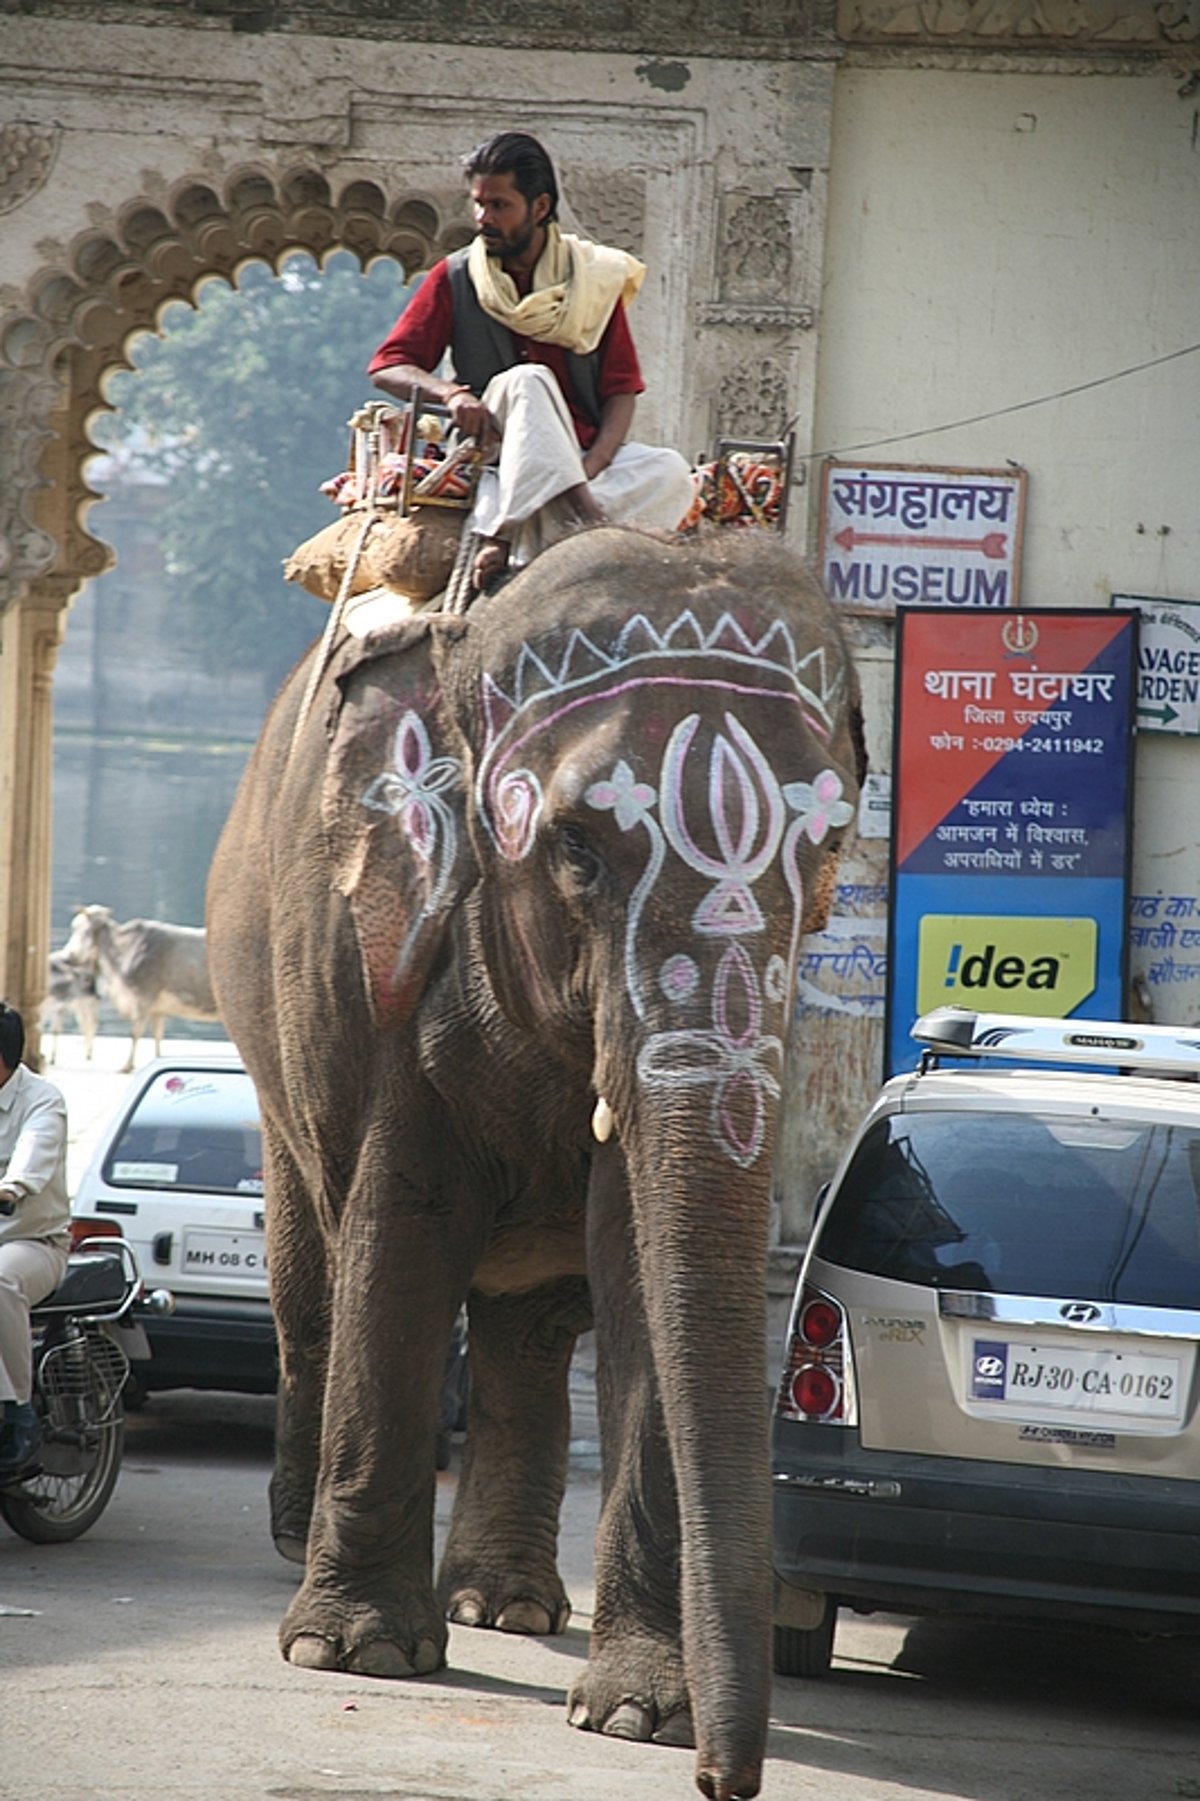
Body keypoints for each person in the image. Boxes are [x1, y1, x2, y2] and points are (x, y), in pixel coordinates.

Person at [368, 129, 694, 591]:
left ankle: (513, 530)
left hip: (579, 459)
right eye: (479, 204)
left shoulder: (593, 279)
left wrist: (593, 463)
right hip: (496, 450)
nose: (484, 218)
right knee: (528, 380)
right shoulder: (457, 276)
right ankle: (590, 520)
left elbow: (621, 390)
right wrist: (452, 394)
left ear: (540, 208)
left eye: (500, 205)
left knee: (672, 471)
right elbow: (388, 366)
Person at [0, 1002, 70, 1473]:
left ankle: (16, 1411)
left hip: (32, 1242)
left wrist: (11, 1186)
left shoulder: (43, 1100)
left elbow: (35, 1152)